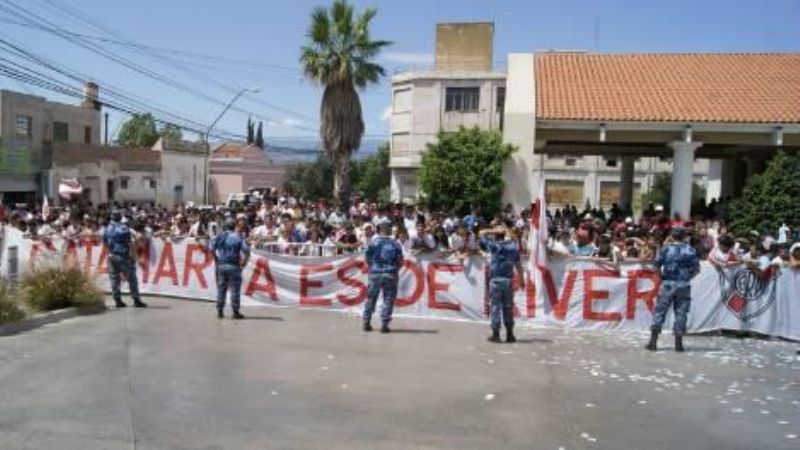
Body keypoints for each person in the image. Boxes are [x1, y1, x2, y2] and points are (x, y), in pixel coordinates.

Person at [646, 227, 700, 352]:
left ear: (672, 236)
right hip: (683, 284)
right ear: (683, 237)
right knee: (681, 313)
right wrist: (687, 278)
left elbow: (656, 265)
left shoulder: (666, 249)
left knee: (660, 311)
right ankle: (678, 344)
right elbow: (697, 269)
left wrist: (661, 278)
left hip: (668, 283)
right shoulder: (690, 249)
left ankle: (653, 342)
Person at [479, 225, 525, 343]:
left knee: (495, 307)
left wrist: (493, 230)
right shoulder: (513, 247)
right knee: (508, 307)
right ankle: (510, 334)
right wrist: (522, 279)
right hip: (508, 281)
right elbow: (518, 265)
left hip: (496, 280)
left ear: (495, 235)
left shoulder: (494, 245)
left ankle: (496, 334)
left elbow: (481, 233)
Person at [363, 222, 404, 333]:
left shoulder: (372, 243)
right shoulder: (395, 244)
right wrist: (394, 269)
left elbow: (367, 258)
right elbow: (400, 261)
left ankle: (366, 321)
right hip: (390, 273)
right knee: (388, 298)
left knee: (371, 297)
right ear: (389, 230)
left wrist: (373, 266)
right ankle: (384, 324)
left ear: (379, 230)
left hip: (375, 273)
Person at [102, 211, 147, 308]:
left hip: (111, 255)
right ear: (120, 218)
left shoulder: (106, 229)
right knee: (132, 278)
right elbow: (130, 244)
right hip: (123, 256)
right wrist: (135, 257)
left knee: (114, 279)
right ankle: (136, 299)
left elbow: (105, 243)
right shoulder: (123, 228)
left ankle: (117, 300)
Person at [209, 218, 251, 319]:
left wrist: (216, 259)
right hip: (234, 266)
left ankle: (220, 310)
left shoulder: (220, 236)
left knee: (221, 288)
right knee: (235, 289)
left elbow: (211, 248)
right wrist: (244, 262)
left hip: (221, 265)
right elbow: (246, 251)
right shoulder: (238, 237)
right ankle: (235, 312)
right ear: (235, 225)